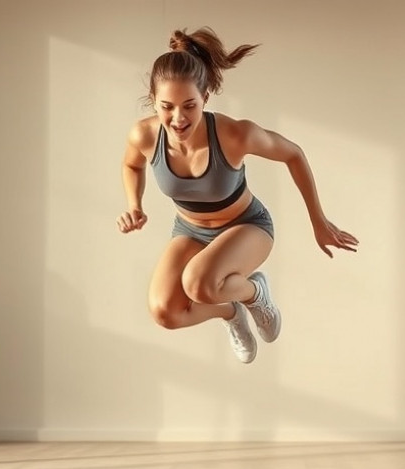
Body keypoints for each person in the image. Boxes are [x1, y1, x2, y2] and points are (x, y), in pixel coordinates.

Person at [117, 27, 358, 364]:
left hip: (246, 226)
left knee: (197, 283)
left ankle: (256, 293)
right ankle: (230, 311)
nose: (178, 118)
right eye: (166, 106)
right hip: (190, 231)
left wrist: (318, 220)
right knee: (165, 312)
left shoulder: (234, 134)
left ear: (206, 98)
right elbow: (131, 166)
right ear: (153, 100)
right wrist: (134, 205)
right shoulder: (143, 134)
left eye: (189, 105)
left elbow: (294, 154)